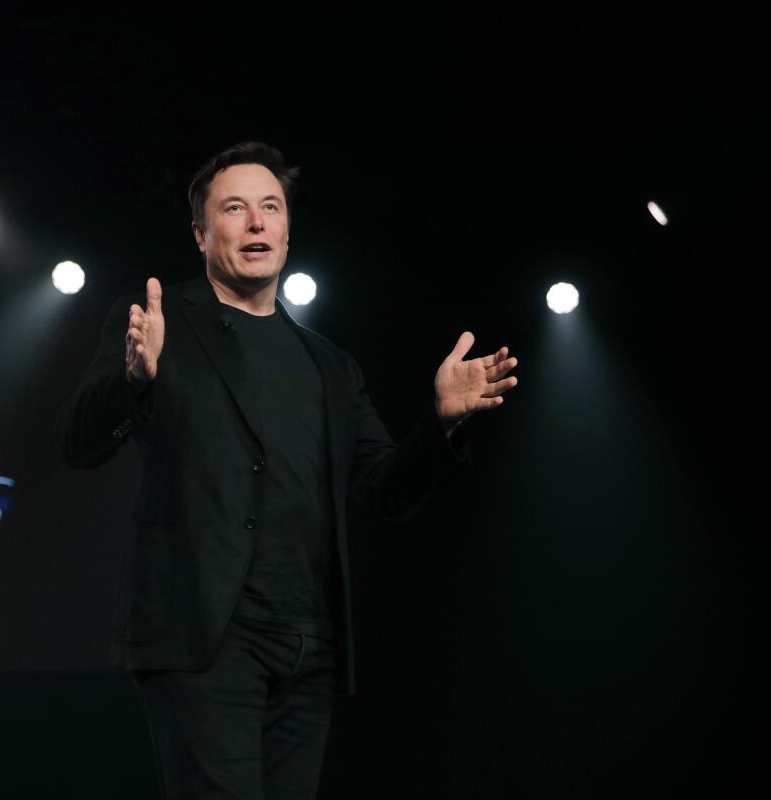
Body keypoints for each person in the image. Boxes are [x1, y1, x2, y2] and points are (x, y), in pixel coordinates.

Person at [55, 141, 518, 799]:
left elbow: (384, 490)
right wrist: (135, 380)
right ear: (200, 232)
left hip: (310, 649)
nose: (256, 223)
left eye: (270, 207)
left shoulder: (328, 363)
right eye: (235, 209)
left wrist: (440, 424)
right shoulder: (156, 326)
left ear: (287, 228)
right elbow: (78, 444)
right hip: (205, 643)